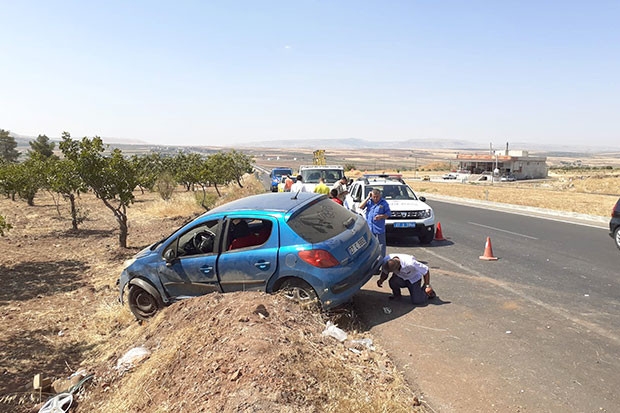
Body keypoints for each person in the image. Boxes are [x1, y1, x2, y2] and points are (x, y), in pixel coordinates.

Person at [359, 188, 390, 257]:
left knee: (381, 245)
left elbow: (388, 214)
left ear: (380, 196)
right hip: (369, 228)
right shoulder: (369, 202)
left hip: (379, 228)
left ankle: (382, 260)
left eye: (377, 197)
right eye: (374, 197)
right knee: (369, 245)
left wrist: (381, 216)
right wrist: (367, 198)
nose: (375, 198)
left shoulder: (384, 203)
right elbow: (360, 206)